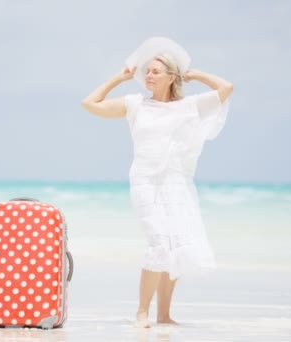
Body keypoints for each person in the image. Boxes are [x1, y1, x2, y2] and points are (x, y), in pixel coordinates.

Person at [81, 37, 233, 328]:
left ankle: (164, 315)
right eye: (147, 71)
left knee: (176, 248)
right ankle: (142, 312)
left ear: (171, 78)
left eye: (155, 72)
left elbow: (226, 89)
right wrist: (119, 78)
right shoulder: (135, 105)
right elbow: (90, 104)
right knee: (159, 245)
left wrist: (195, 74)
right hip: (145, 181)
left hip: (176, 183)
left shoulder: (189, 106)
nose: (148, 76)